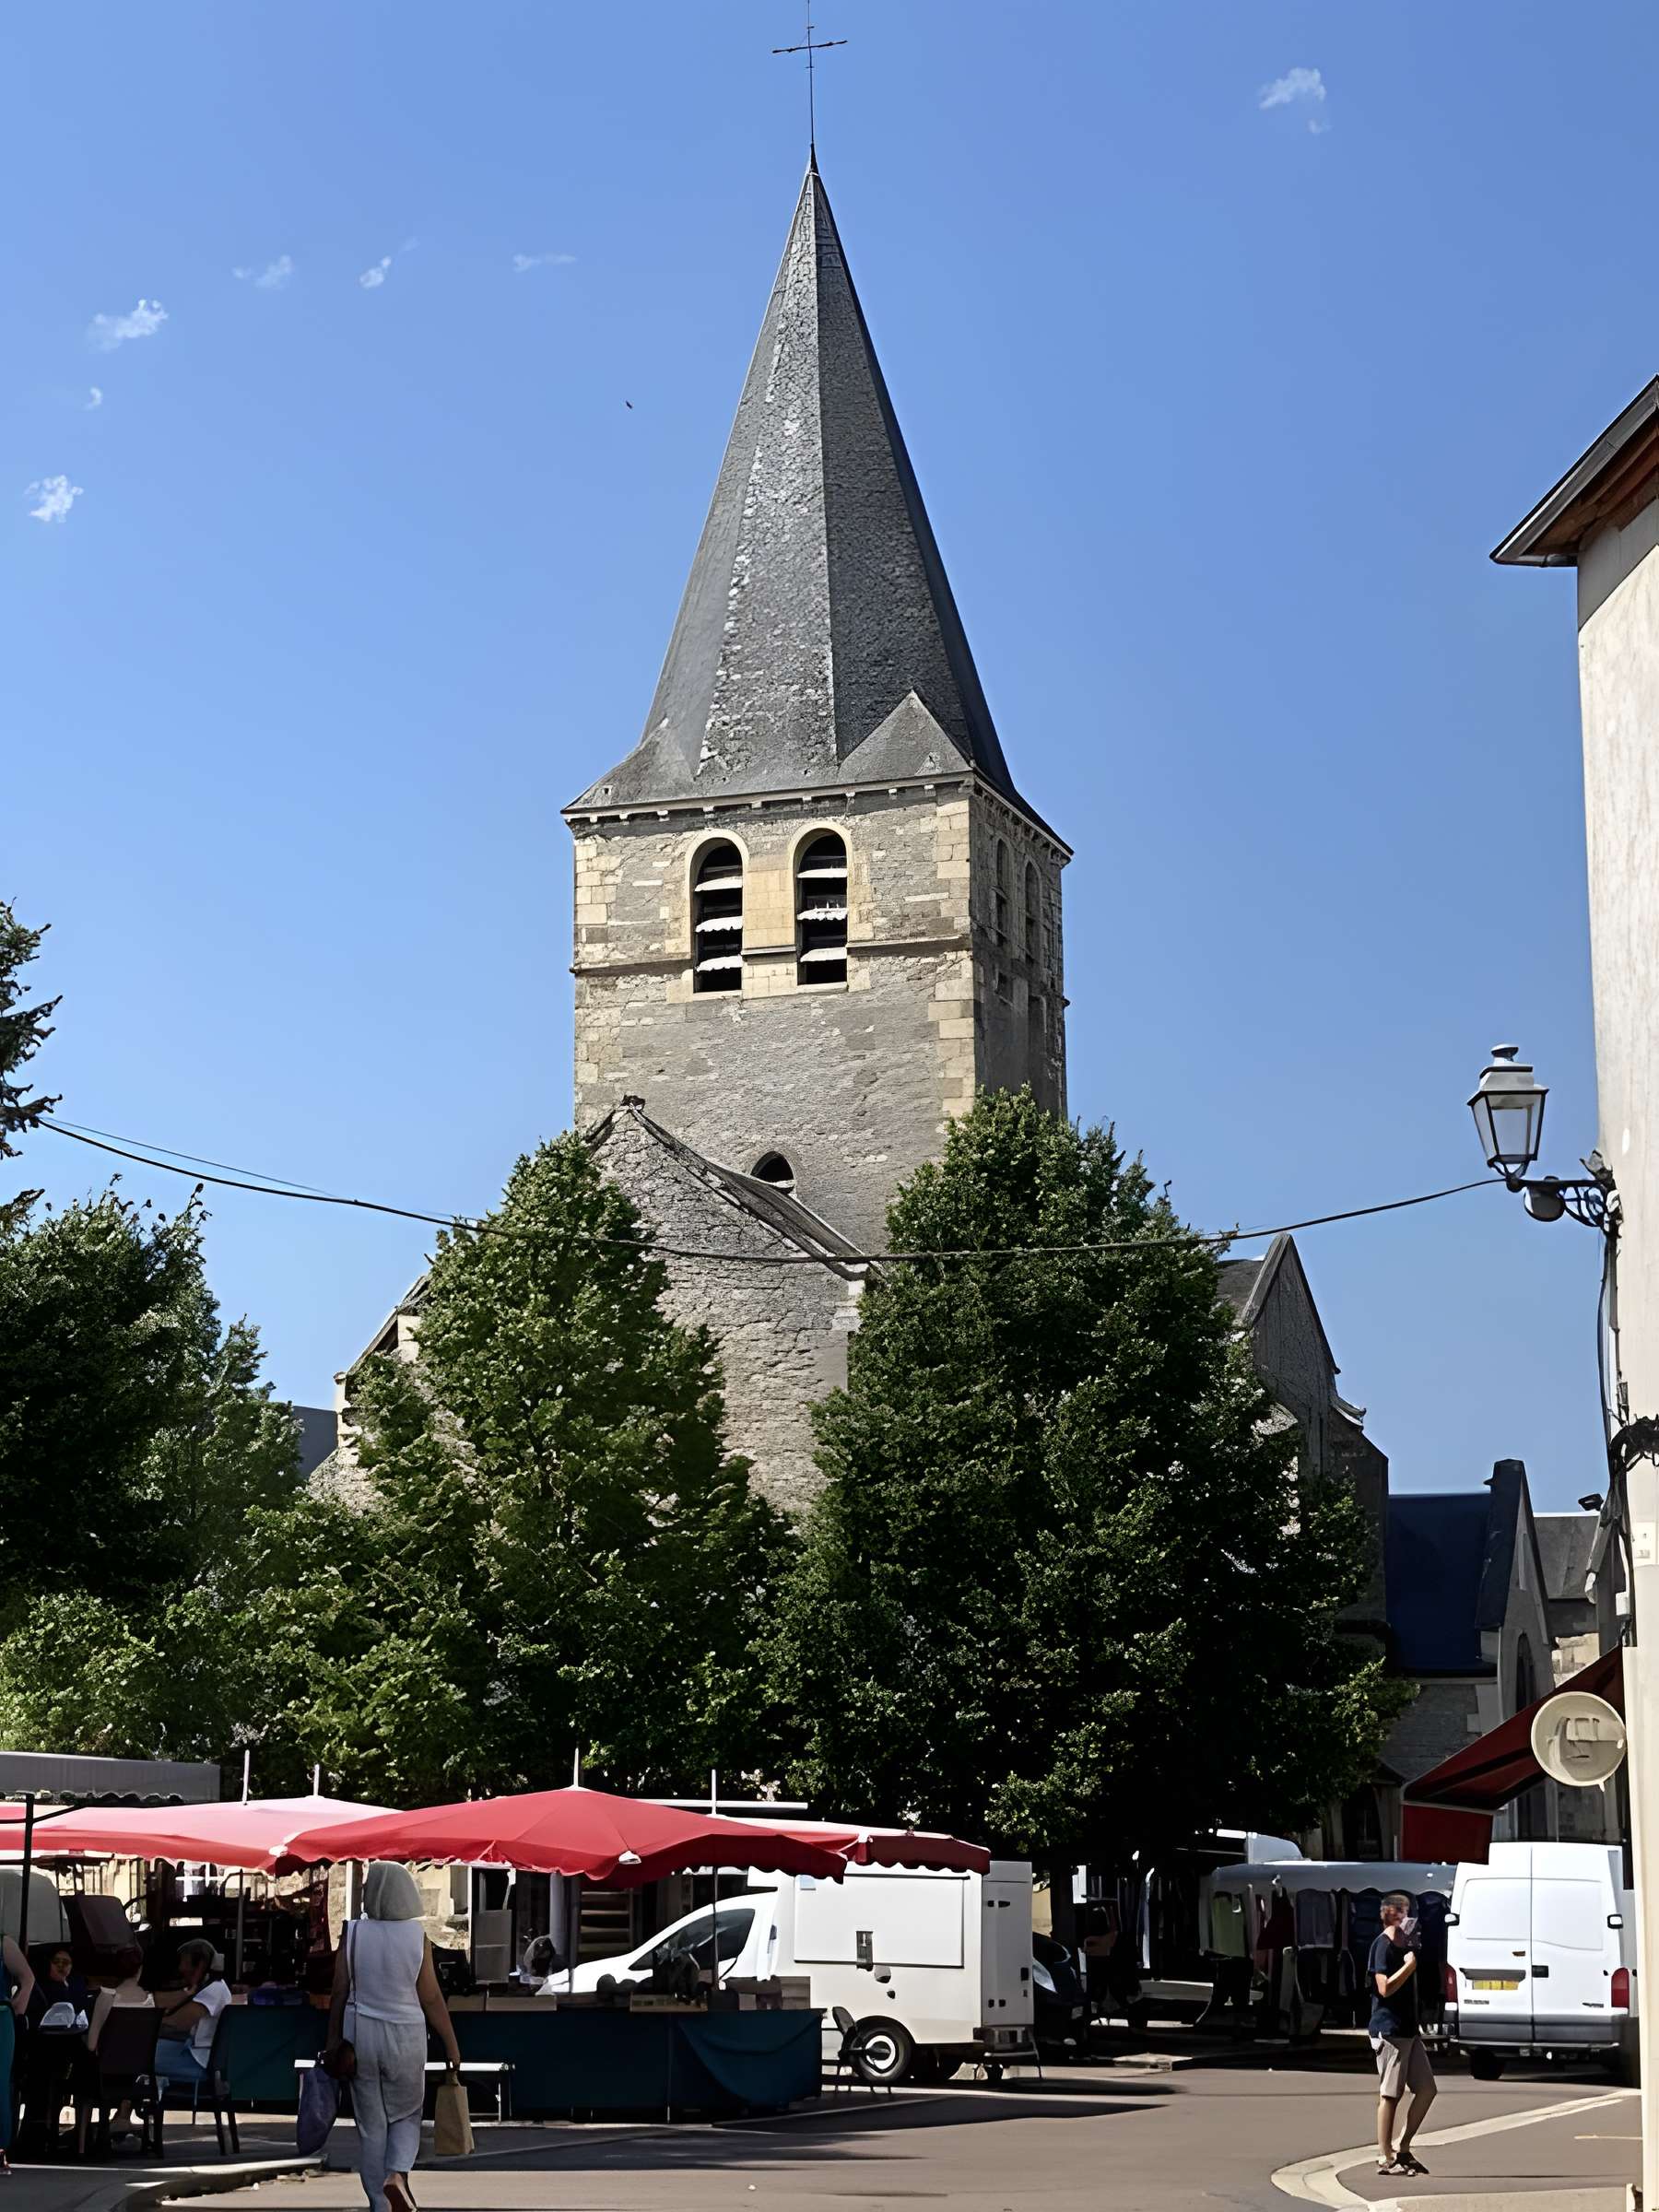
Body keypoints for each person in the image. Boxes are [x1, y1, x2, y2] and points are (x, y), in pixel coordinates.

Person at [325, 1863, 461, 2212]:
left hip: (361, 2035)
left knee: (371, 2126)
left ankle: (378, 2205)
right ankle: (397, 2175)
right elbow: (430, 1997)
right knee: (407, 2114)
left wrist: (332, 2041)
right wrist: (451, 2045)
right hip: (407, 2036)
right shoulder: (418, 1938)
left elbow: (339, 1991)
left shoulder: (352, 1932)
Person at [1370, 1894, 1436, 2177]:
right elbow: (1384, 1989)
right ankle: (1385, 2156)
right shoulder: (1382, 1946)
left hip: (1410, 2030)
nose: (1410, 1920)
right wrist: (1409, 1967)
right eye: (1403, 1914)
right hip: (1390, 2030)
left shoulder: (1408, 1945)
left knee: (1427, 2089)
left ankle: (1403, 2146)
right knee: (1391, 2094)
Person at [80, 1942, 155, 2147]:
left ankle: (81, 2137)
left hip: (105, 2075)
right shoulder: (149, 2000)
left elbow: (92, 2044)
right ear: (139, 1970)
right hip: (136, 2076)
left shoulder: (107, 1997)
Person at [153, 1938, 230, 2102]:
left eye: (185, 1964)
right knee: (139, 2052)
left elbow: (179, 2022)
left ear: (201, 1965)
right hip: (197, 2054)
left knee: (138, 2059)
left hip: (202, 2064)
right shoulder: (211, 1987)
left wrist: (145, 2020)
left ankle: (124, 2114)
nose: (181, 1969)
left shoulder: (214, 1990)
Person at [1, 1934, 37, 2171]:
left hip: (1, 2017)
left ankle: (0, 2148)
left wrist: (17, 2009)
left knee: (1, 2085)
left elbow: (28, 1979)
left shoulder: (3, 1942)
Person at [27, 1944, 88, 2029]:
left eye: (65, 1962)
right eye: (56, 1961)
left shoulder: (78, 1986)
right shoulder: (38, 1988)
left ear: (71, 1966)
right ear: (49, 1965)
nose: (60, 1965)